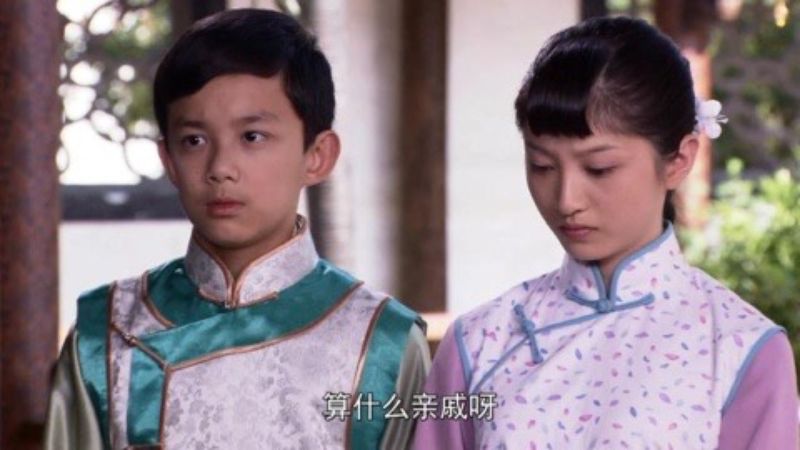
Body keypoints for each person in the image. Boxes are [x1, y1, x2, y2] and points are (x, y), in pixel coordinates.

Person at [45, 9, 430, 450]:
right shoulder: (106, 334)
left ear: (317, 155)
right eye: (194, 140)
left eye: (252, 137)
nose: (221, 168)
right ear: (169, 160)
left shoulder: (384, 344)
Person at [413, 16, 798, 449]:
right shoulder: (478, 342)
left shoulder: (740, 348)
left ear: (679, 160)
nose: (566, 199)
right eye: (542, 166)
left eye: (599, 168)